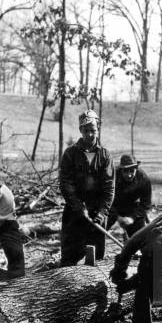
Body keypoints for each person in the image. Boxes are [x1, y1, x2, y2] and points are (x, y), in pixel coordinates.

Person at [59, 110, 114, 265]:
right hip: (74, 211)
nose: (90, 134)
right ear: (80, 131)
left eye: (93, 130)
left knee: (95, 260)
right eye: (86, 131)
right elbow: (65, 183)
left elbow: (109, 188)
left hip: (97, 213)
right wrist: (78, 206)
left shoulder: (105, 156)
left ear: (98, 130)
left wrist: (102, 213)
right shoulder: (70, 154)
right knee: (69, 258)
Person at [107, 154, 152, 237]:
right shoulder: (112, 177)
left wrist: (132, 217)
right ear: (121, 170)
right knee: (99, 227)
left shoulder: (143, 179)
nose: (129, 175)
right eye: (125, 171)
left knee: (140, 236)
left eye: (132, 171)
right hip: (113, 206)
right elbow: (105, 199)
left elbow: (146, 205)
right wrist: (117, 217)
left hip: (132, 208)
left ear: (136, 169)